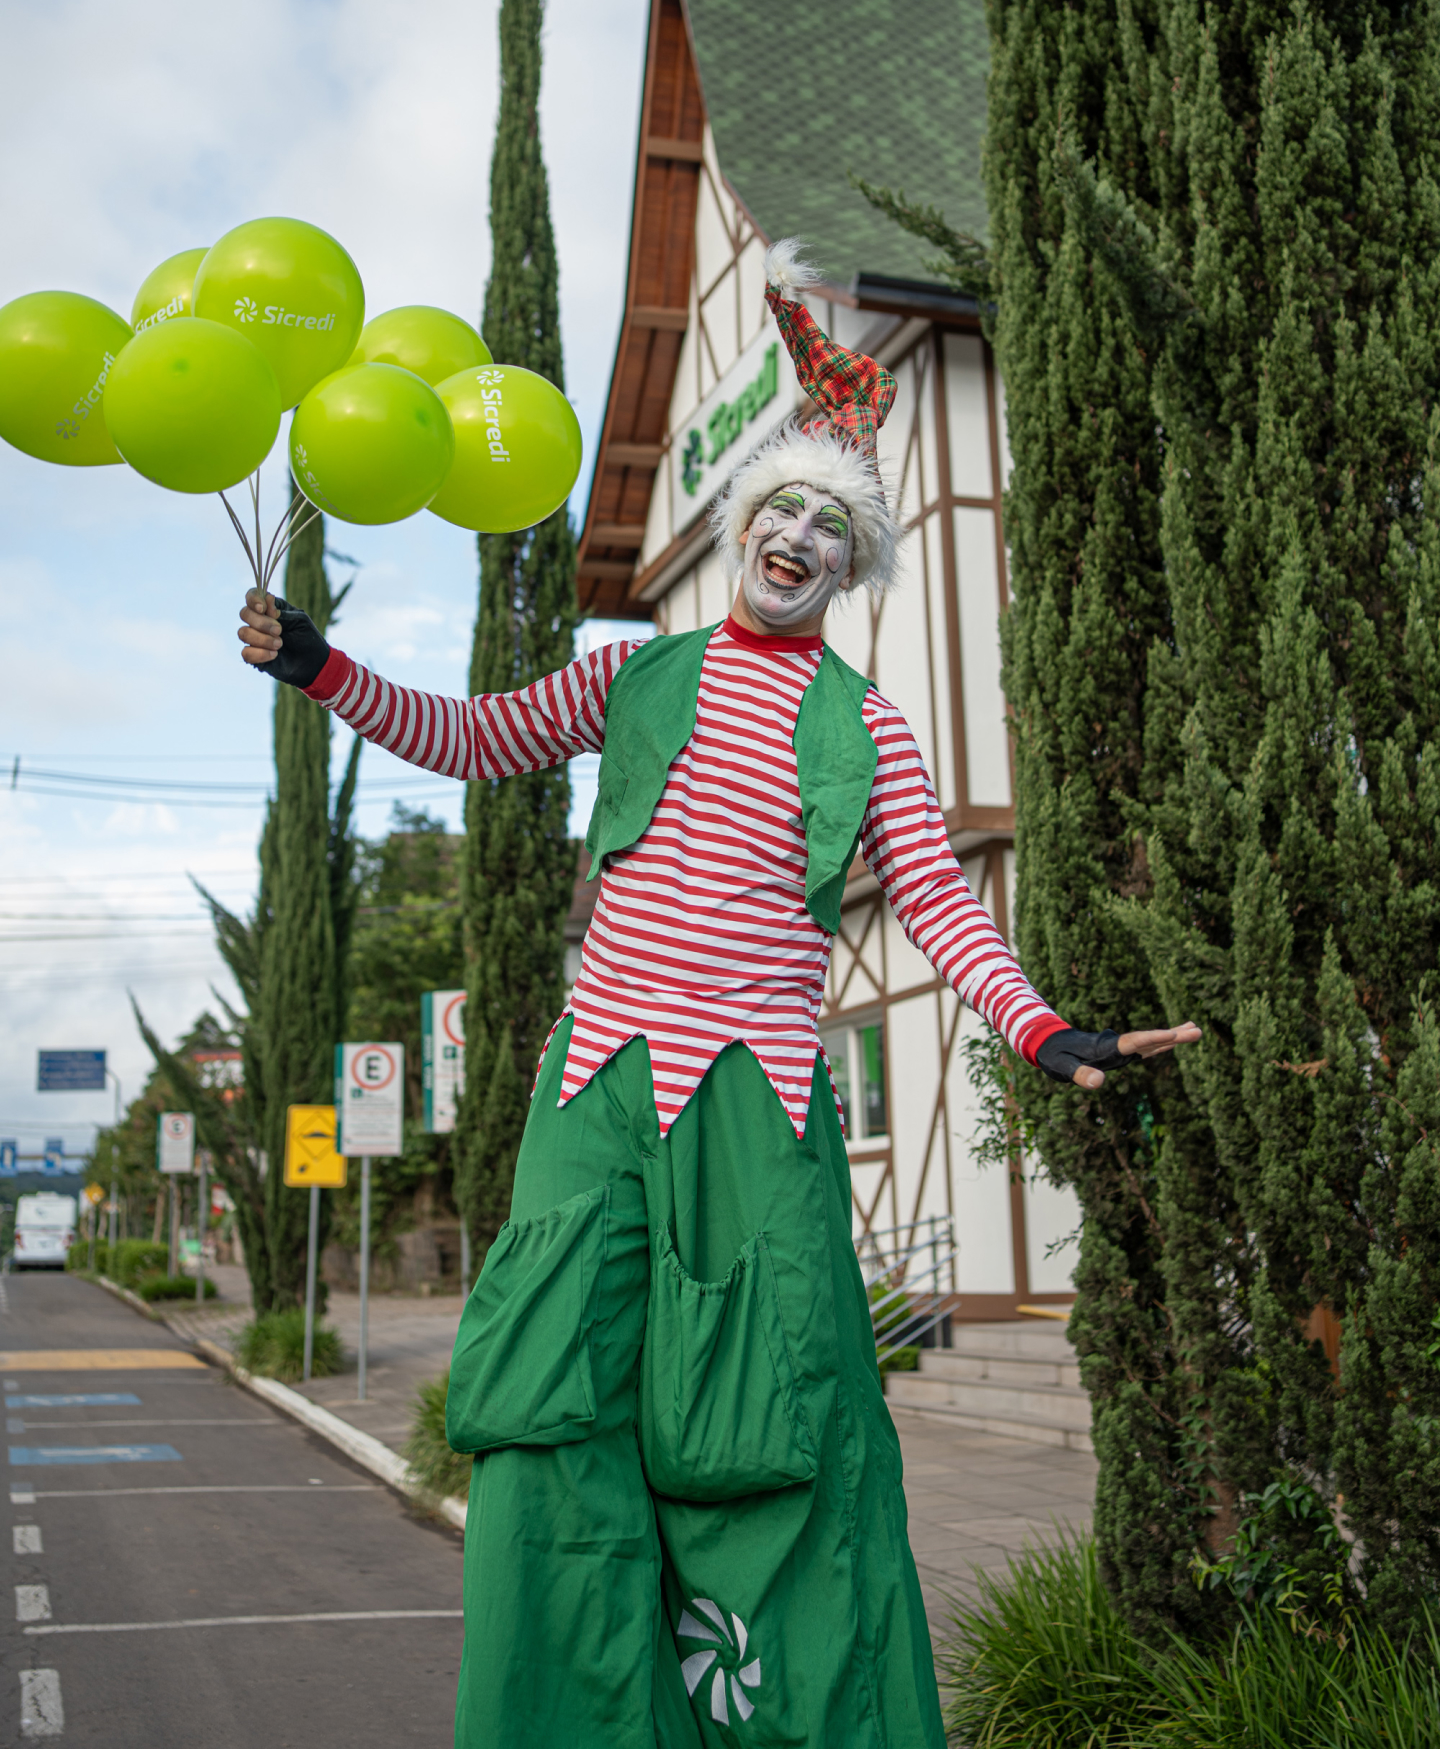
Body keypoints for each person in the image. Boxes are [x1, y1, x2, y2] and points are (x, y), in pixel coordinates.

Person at [238, 241, 1199, 1747]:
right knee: (550, 1405)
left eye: (832, 525)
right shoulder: (635, 679)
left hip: (760, 1100)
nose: (801, 536)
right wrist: (322, 666)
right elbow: (480, 736)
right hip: (599, 1084)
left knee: (774, 1425)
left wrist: (1042, 1026)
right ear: (744, 525)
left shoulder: (864, 725)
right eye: (783, 509)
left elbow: (939, 899)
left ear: (851, 566)